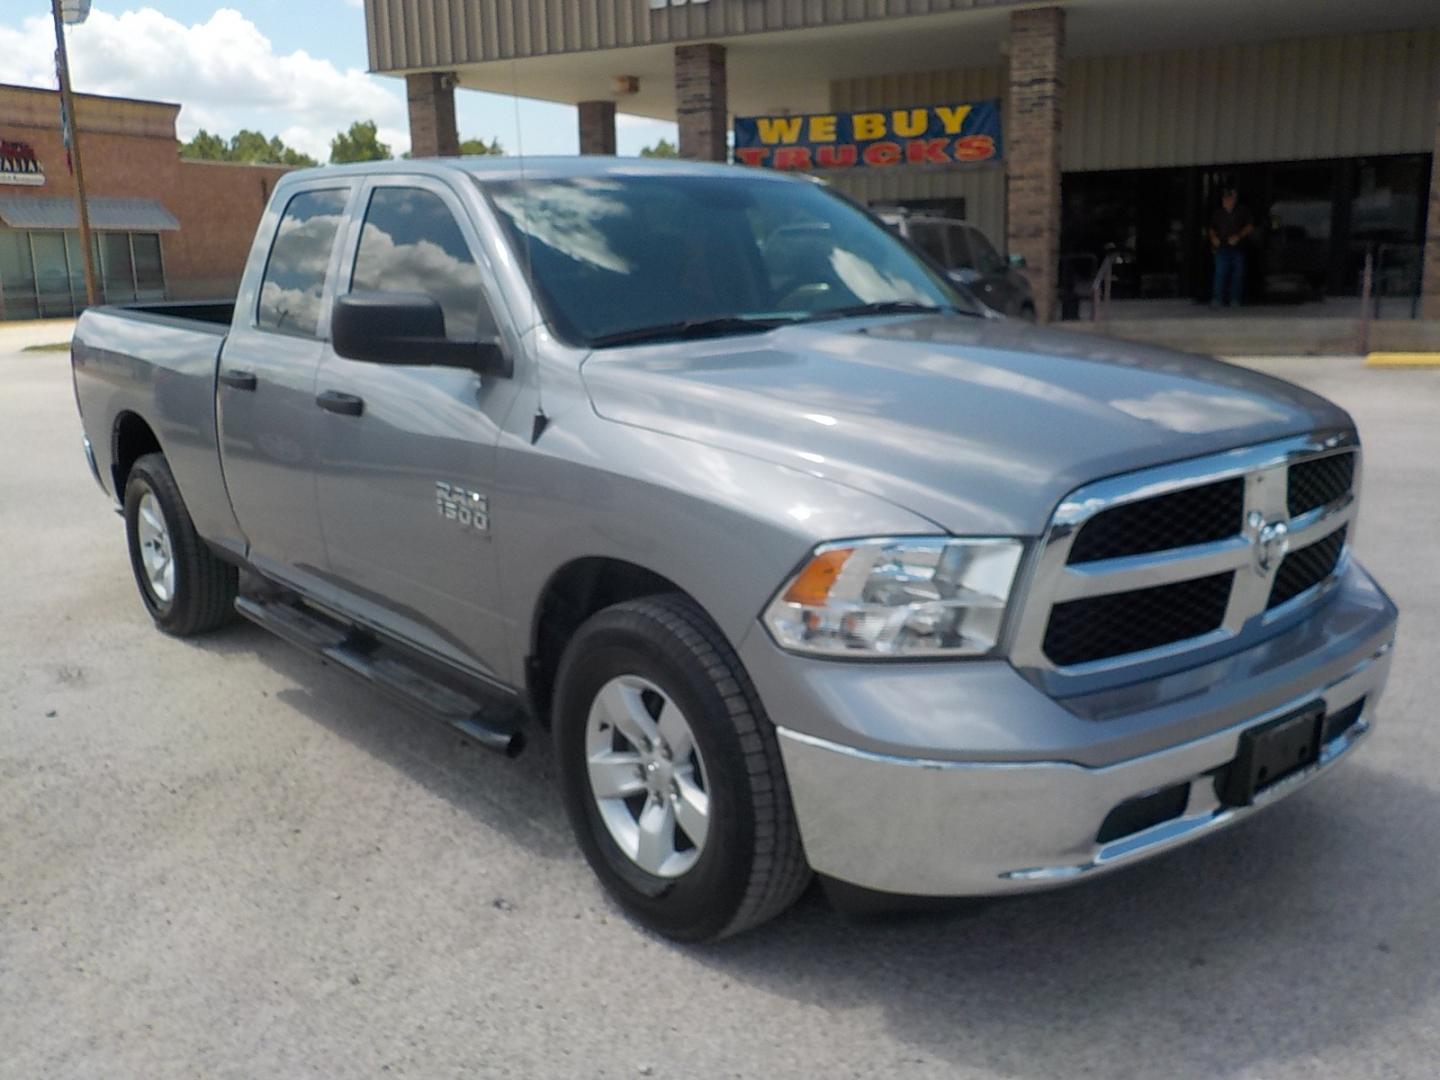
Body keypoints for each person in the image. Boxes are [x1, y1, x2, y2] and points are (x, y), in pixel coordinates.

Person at [1209, 188, 1254, 308]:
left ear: (1235, 199)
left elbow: (1250, 227)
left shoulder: (1243, 211)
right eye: (1225, 198)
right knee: (1220, 274)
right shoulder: (1218, 213)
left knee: (1237, 275)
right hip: (1222, 248)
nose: (1227, 200)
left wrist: (1238, 236)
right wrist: (1213, 238)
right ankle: (1218, 299)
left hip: (1238, 248)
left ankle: (1235, 300)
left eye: (1230, 198)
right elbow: (1212, 228)